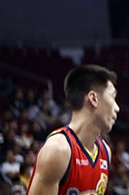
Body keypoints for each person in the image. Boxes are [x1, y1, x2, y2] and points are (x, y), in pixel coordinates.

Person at [27, 65, 119, 195]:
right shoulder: (58, 150)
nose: (117, 108)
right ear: (93, 98)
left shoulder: (105, 152)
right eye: (113, 97)